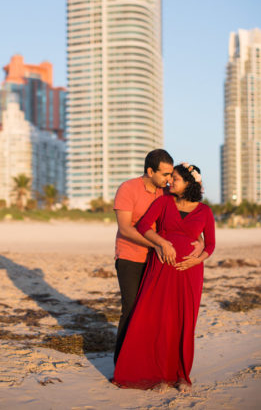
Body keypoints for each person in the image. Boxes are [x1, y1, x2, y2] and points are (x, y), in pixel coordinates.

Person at [112, 163, 216, 392]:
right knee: (158, 320)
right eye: (170, 177)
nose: (171, 182)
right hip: (160, 268)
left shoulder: (205, 211)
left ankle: (181, 376)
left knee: (183, 322)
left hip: (190, 274)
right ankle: (158, 375)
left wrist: (198, 259)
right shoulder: (164, 201)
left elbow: (210, 244)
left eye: (176, 178)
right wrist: (161, 242)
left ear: (189, 183)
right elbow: (143, 225)